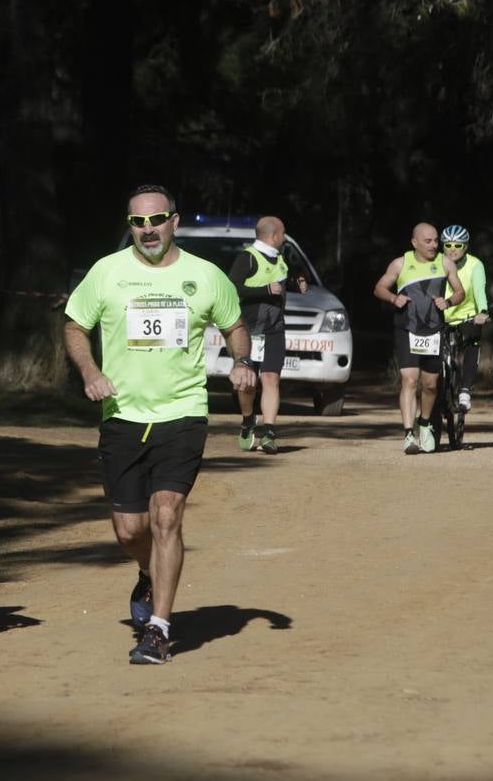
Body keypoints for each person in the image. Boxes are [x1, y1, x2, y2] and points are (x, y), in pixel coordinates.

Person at [64, 185, 256, 666]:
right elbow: (74, 325)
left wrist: (242, 361)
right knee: (131, 531)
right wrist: (90, 371)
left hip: (182, 414)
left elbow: (234, 325)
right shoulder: (106, 272)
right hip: (122, 415)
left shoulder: (205, 276)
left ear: (175, 221)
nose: (148, 229)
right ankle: (148, 572)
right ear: (129, 225)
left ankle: (159, 629)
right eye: (138, 222)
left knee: (167, 514)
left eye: (157, 219)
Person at [372, 223, 464, 454]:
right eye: (428, 241)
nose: (434, 245)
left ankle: (424, 424)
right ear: (414, 242)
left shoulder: (444, 263)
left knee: (431, 384)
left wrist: (449, 301)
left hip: (433, 330)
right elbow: (379, 288)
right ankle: (408, 434)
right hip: (407, 329)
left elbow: (460, 291)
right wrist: (394, 299)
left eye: (435, 241)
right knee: (409, 380)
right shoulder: (400, 263)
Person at [229, 215, 307, 453]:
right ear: (274, 236)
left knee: (271, 378)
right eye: (283, 234)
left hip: (274, 328)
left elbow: (290, 273)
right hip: (248, 330)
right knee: (247, 384)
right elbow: (231, 287)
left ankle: (269, 432)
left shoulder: (280, 257)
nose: (284, 238)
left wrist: (300, 279)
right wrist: (265, 289)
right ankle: (247, 420)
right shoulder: (248, 258)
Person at [440, 224, 490, 412]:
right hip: (442, 318)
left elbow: (479, 290)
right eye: (448, 245)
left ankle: (465, 391)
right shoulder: (437, 263)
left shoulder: (475, 265)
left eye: (458, 245)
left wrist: (483, 311)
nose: (453, 249)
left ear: (466, 247)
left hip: (468, 316)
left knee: (473, 343)